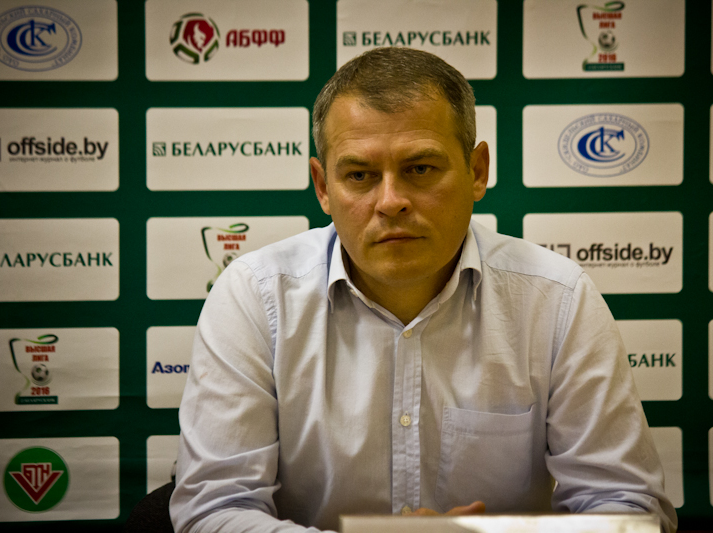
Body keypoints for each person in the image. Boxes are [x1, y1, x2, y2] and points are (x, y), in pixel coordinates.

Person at [169, 47, 677, 533]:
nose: (391, 201)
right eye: (360, 175)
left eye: (419, 169)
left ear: (477, 172)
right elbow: (214, 509)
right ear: (323, 187)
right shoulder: (255, 298)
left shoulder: (557, 300)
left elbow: (630, 508)